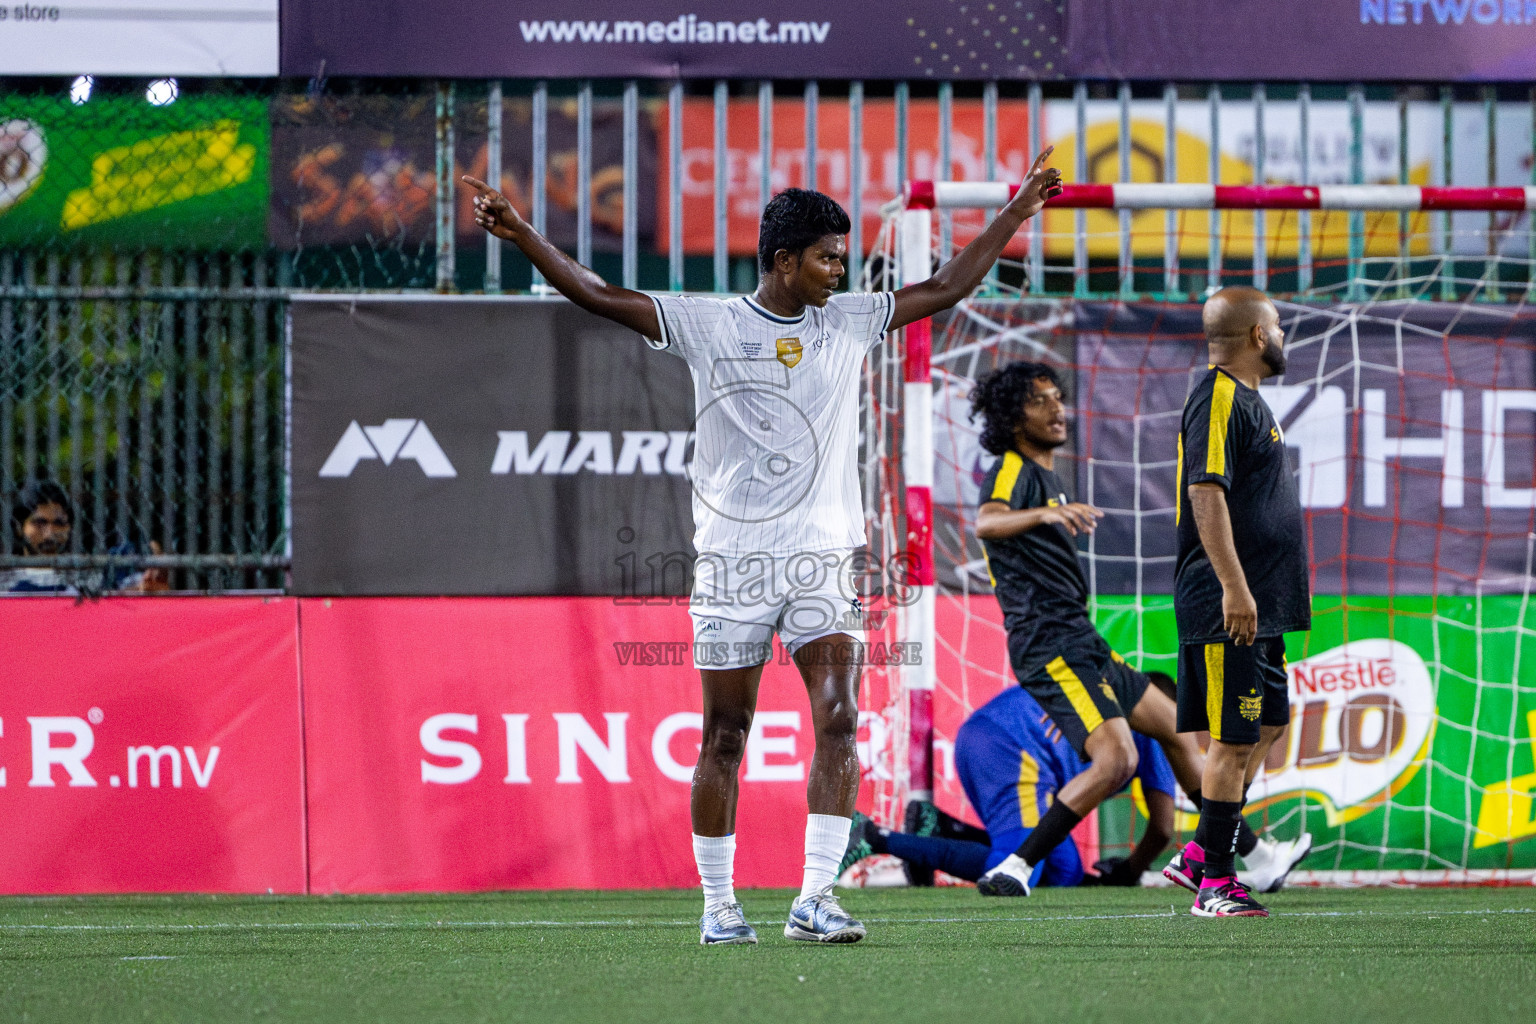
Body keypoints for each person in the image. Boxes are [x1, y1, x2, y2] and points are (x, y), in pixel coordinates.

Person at [462, 150, 1065, 945]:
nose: (840, 270)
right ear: (785, 260)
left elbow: (948, 286)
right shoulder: (711, 322)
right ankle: (719, 908)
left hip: (823, 560)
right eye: (826, 257)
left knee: (841, 718)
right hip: (733, 565)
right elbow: (597, 293)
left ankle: (815, 899)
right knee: (725, 736)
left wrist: (1017, 211)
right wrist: (522, 234)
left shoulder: (849, 320)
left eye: (843, 257)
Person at [964, 362, 1310, 898]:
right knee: (1119, 759)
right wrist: (1042, 517)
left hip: (1079, 636)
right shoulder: (1013, 469)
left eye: (1059, 397)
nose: (1057, 409)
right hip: (1047, 642)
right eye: (1040, 401)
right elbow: (987, 522)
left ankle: (1257, 858)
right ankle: (1014, 866)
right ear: (1013, 417)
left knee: (1176, 729)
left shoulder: (1051, 478)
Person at [1169, 287, 1312, 918]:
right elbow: (1206, 494)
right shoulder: (1219, 396)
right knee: (1230, 742)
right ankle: (1216, 884)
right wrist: (1234, 586)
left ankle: (1202, 850)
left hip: (1261, 603)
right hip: (1229, 602)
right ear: (1258, 335)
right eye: (1277, 327)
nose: (1282, 337)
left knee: (1270, 725)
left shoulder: (1250, 401)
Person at [841, 684, 1178, 888]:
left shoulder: (1112, 688)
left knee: (1064, 872)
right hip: (1014, 751)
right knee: (1016, 873)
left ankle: (941, 827)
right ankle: (873, 836)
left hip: (980, 736)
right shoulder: (1156, 728)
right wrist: (1128, 872)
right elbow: (1163, 829)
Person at [2, 478, 170, 595]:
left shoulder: (88, 574)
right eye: (40, 524)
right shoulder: (6, 581)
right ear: (19, 528)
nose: (50, 532)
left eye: (59, 523)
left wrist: (152, 564)